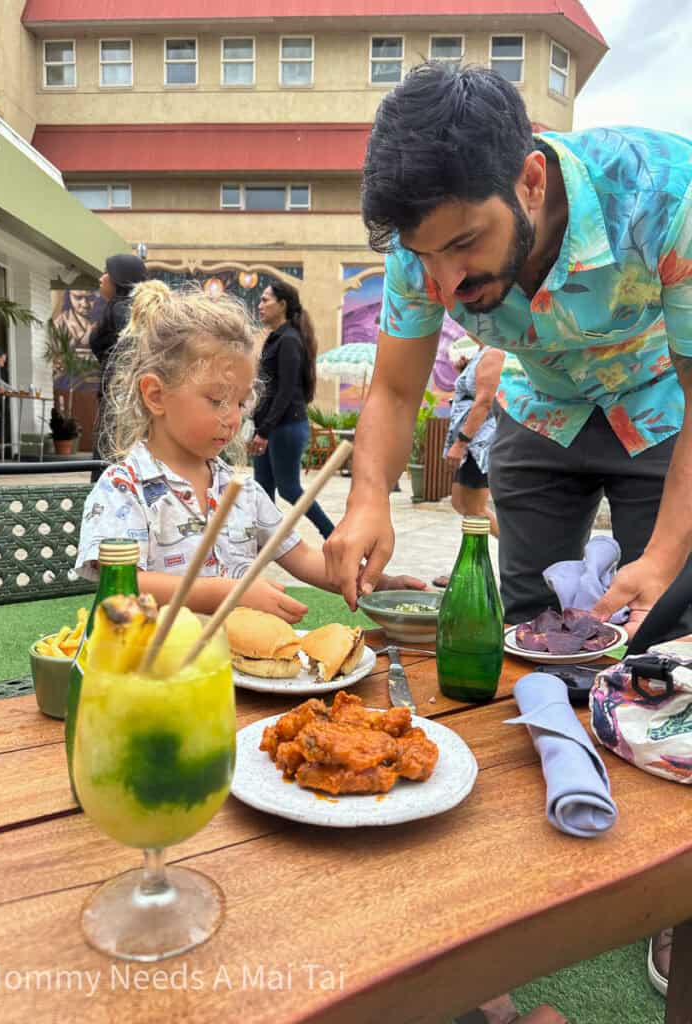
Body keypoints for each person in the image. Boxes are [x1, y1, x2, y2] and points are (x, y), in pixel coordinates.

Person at [323, 61, 692, 997]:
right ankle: (520, 855)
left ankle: (661, 903)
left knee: (655, 645)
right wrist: (368, 498)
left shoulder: (667, 194)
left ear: (530, 178)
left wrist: (661, 556)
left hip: (658, 412)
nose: (444, 285)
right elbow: (400, 386)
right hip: (537, 412)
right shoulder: (426, 248)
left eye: (464, 246)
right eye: (425, 258)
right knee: (524, 629)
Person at [75, 280, 424, 620]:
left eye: (241, 402)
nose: (232, 418)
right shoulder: (124, 488)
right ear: (155, 395)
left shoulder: (241, 491)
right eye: (216, 400)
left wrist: (375, 583)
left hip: (236, 666)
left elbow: (302, 556)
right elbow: (121, 587)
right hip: (156, 668)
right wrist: (228, 593)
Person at [251, 281, 335, 540]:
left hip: (285, 427)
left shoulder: (289, 340)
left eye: (266, 300)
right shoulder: (276, 338)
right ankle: (265, 544)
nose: (260, 305)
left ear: (283, 304)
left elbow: (286, 391)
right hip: (269, 426)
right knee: (262, 491)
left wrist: (264, 431)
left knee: (289, 488)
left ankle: (332, 534)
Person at [88, 253, 147, 482]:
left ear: (119, 279)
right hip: (121, 400)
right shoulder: (124, 308)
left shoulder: (123, 309)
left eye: (108, 273)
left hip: (119, 403)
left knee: (109, 465)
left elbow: (132, 352)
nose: (102, 278)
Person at [443, 343, 504, 537]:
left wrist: (461, 442)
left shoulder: (494, 352)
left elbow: (485, 401)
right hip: (471, 441)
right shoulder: (481, 352)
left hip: (480, 442)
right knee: (460, 501)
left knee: (474, 507)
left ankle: (518, 555)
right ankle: (514, 552)